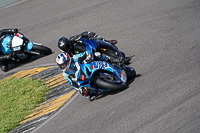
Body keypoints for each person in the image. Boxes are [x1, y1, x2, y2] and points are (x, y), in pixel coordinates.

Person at [57, 31, 131, 65]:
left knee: (96, 39)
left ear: (68, 43)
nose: (66, 49)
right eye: (64, 48)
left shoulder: (72, 40)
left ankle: (106, 41)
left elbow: (81, 35)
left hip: (90, 47)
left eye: (66, 46)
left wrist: (82, 36)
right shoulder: (67, 55)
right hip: (87, 59)